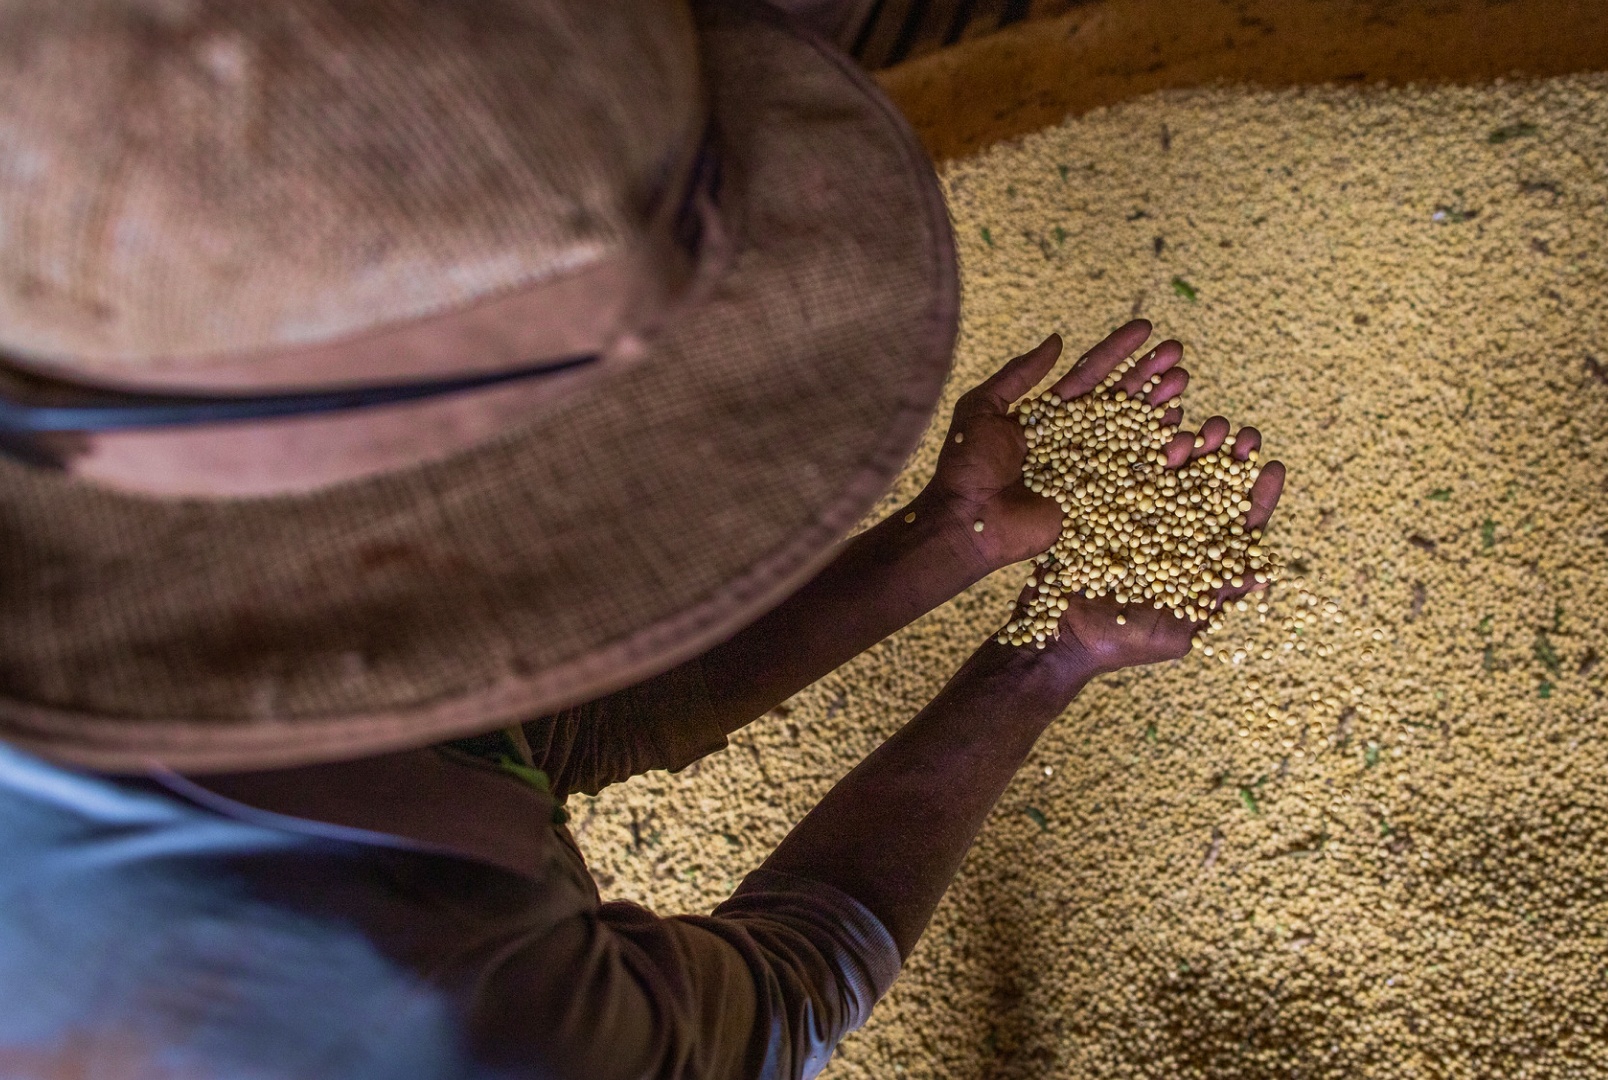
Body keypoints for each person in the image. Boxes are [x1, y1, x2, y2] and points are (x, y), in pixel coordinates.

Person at [0, 1, 1284, 1077]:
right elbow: (787, 984)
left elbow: (524, 735)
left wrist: (944, 546)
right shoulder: (418, 1007)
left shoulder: (92, 233)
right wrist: (1040, 664)